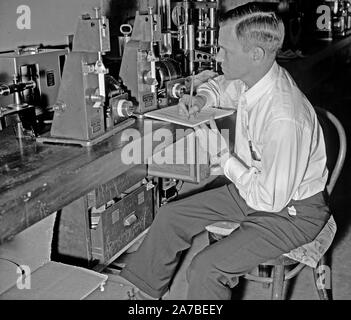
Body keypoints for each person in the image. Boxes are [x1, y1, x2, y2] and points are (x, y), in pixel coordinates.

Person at [119, 2, 330, 300]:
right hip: (256, 188)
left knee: (206, 268)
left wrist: (223, 157)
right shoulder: (255, 79)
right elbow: (219, 87)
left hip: (292, 212)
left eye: (225, 50)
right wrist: (202, 99)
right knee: (171, 216)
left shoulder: (284, 118)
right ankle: (144, 296)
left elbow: (269, 200)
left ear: (255, 55)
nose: (217, 57)